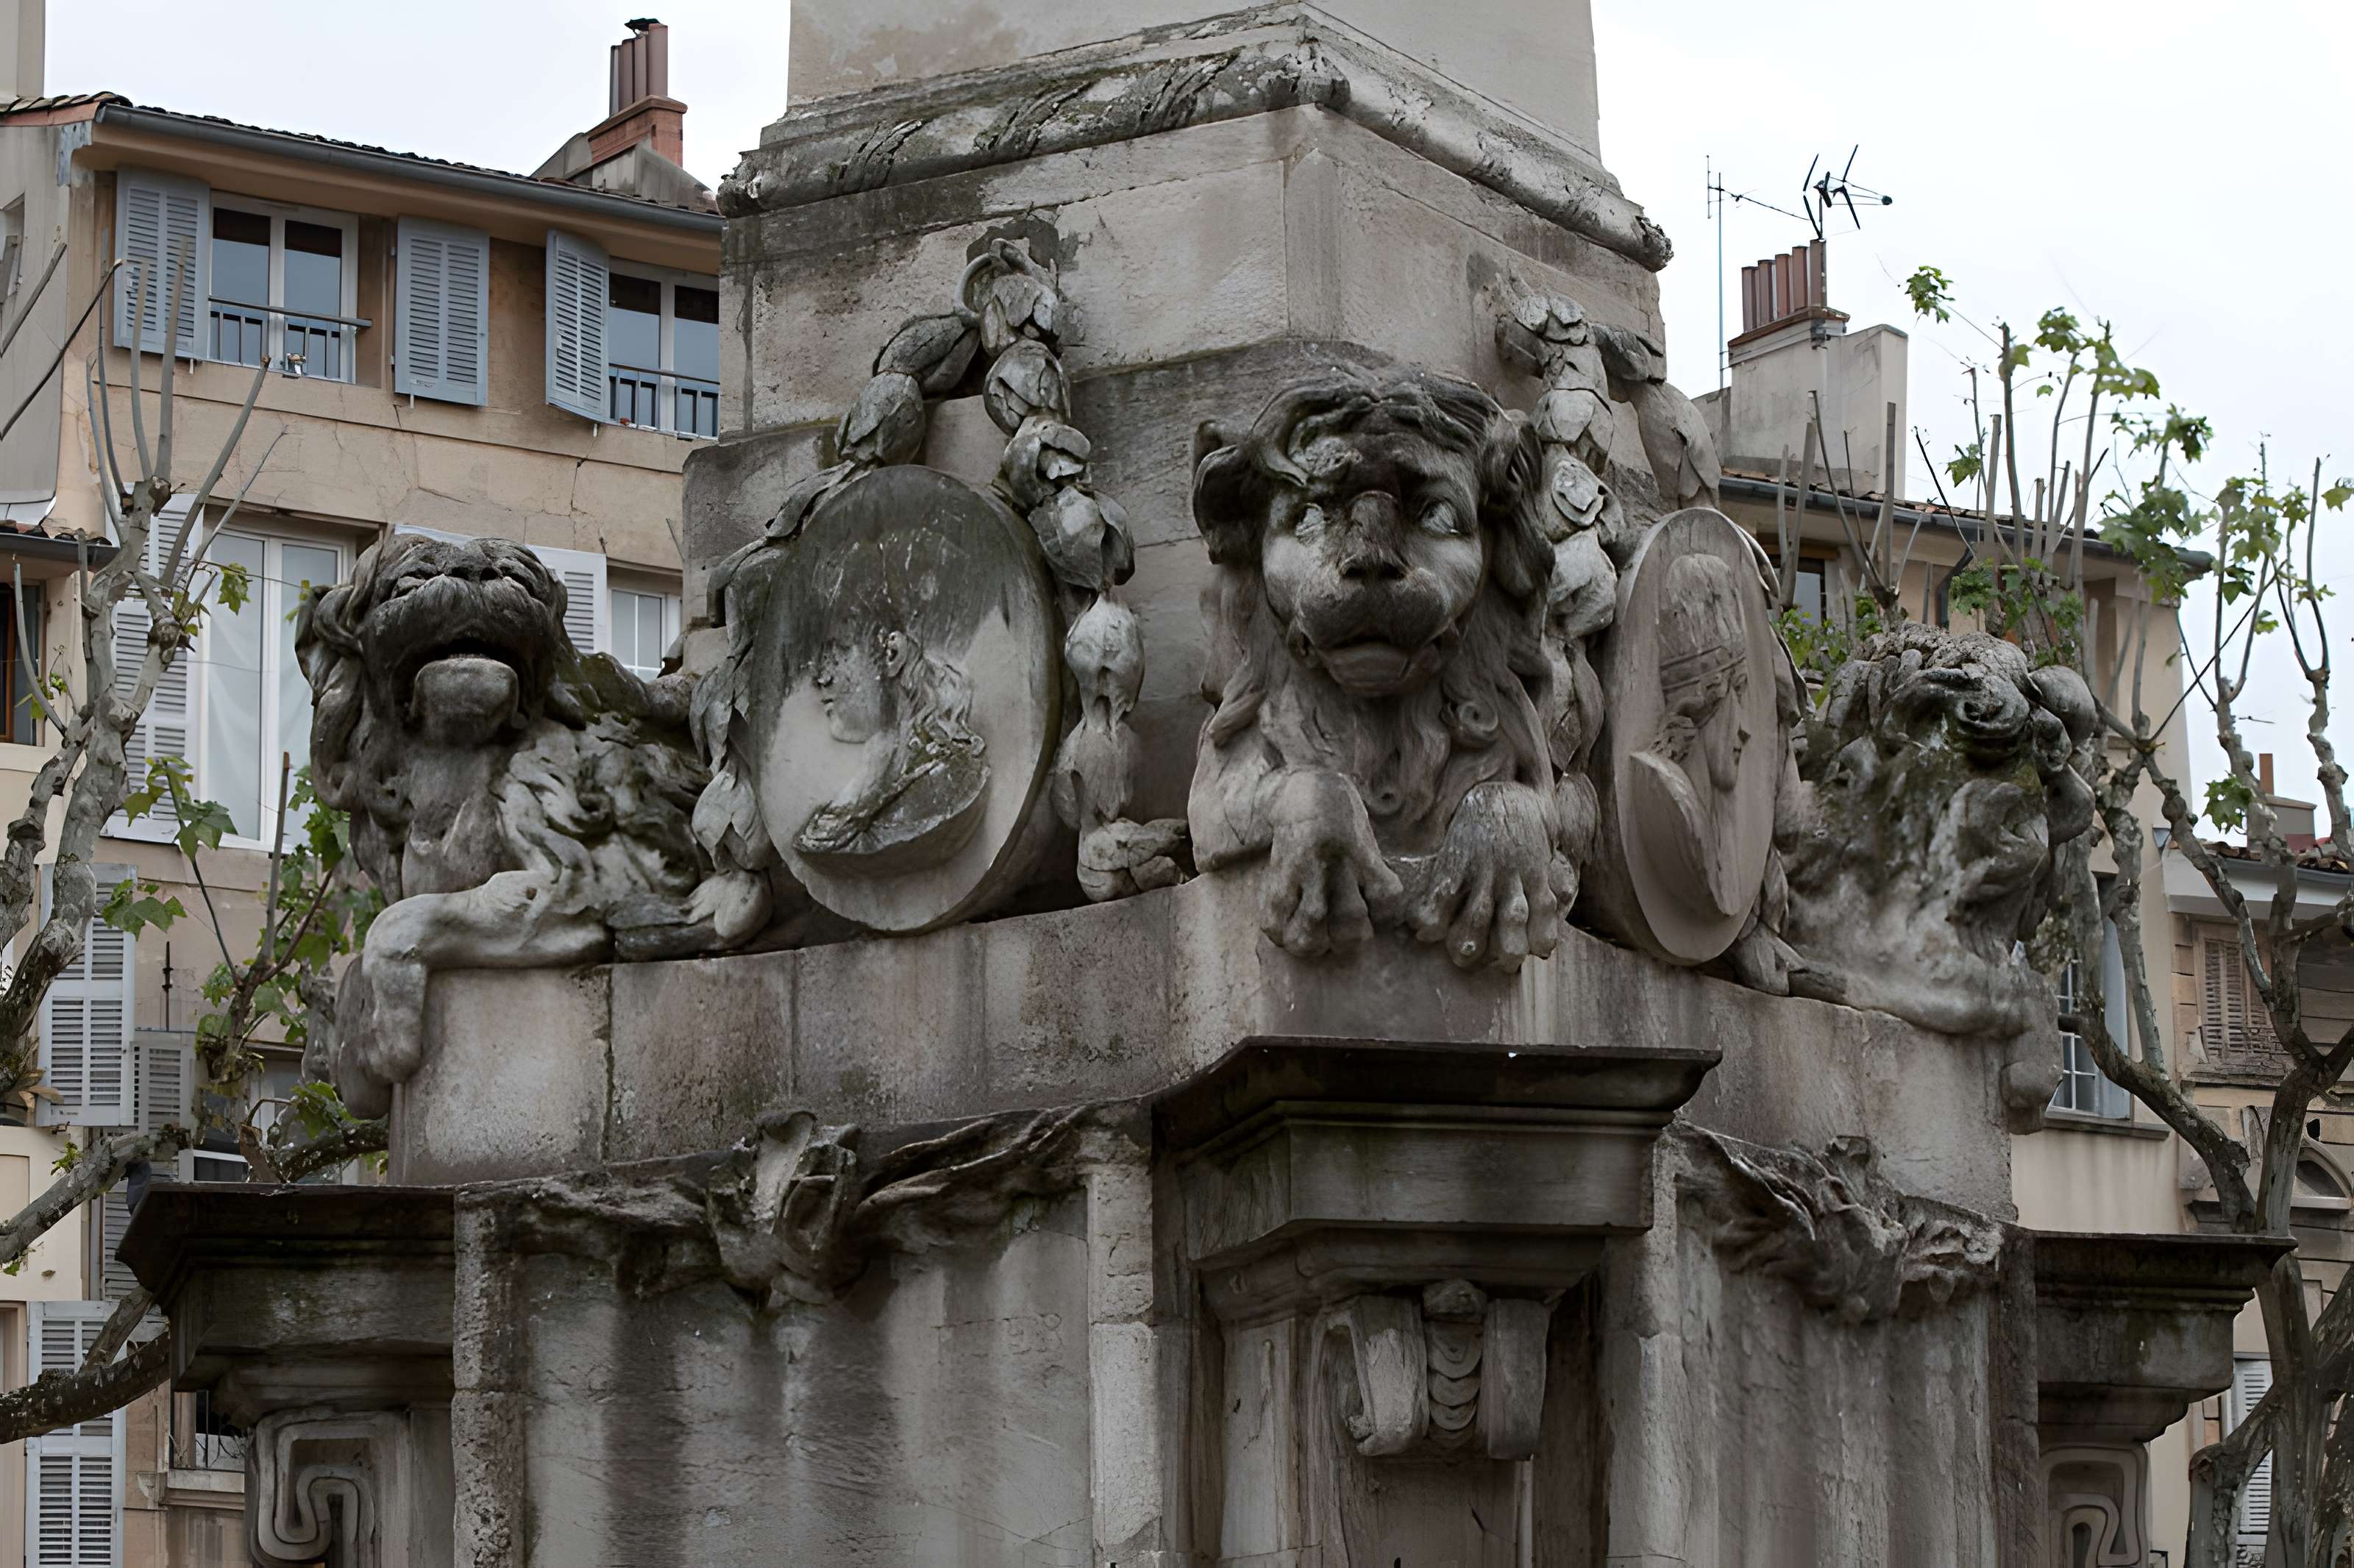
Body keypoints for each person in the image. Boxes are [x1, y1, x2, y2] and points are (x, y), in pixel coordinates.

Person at [1629, 552, 1752, 918]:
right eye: (1739, 692)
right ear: (1706, 698)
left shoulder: (1710, 818)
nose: (1746, 729)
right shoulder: (1666, 796)